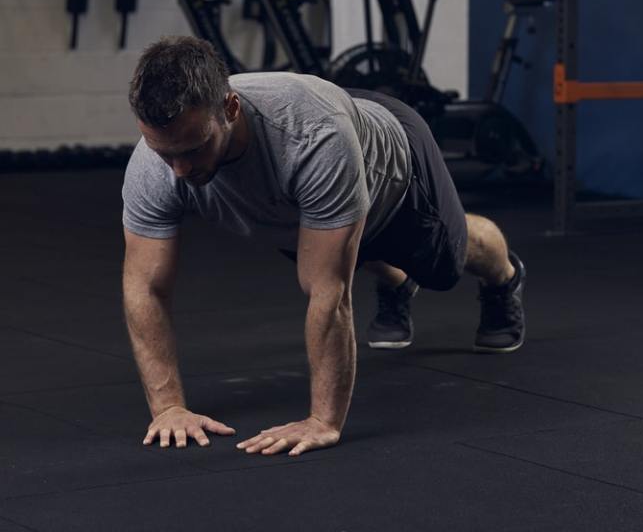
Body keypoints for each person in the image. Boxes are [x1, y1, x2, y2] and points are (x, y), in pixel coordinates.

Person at [122, 35, 526, 458]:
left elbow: (328, 291)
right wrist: (167, 408)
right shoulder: (155, 163)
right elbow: (145, 286)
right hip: (297, 201)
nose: (180, 170)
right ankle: (395, 280)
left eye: (194, 148)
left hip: (393, 169)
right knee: (330, 246)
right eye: (165, 153)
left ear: (231, 109)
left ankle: (504, 278)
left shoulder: (313, 138)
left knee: (445, 263)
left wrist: (323, 421)